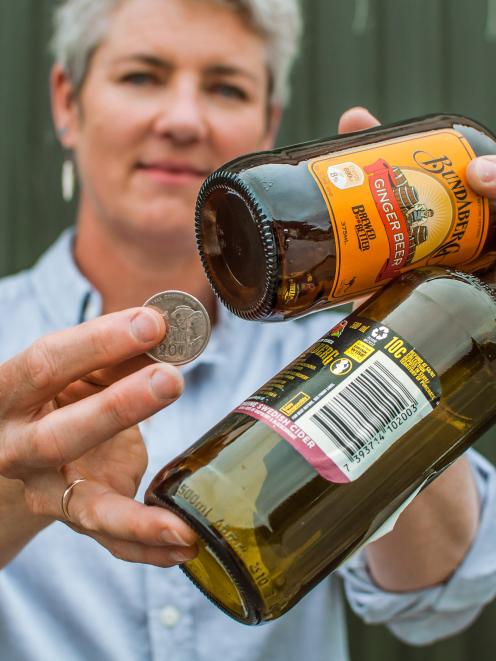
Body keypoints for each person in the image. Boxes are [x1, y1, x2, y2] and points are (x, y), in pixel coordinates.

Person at [0, 1, 495, 659]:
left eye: (225, 86)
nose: (181, 119)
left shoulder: (337, 338)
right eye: (142, 76)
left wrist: (425, 315)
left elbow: (434, 597)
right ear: (68, 102)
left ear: (269, 123)